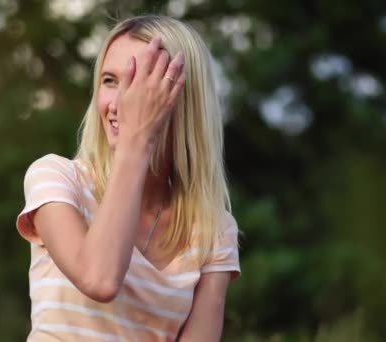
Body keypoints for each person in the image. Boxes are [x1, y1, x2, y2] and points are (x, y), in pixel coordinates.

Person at [16, 14, 240, 341]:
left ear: (184, 98)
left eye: (140, 83)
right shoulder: (57, 179)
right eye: (110, 81)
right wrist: (137, 142)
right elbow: (99, 279)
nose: (120, 102)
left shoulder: (214, 230)